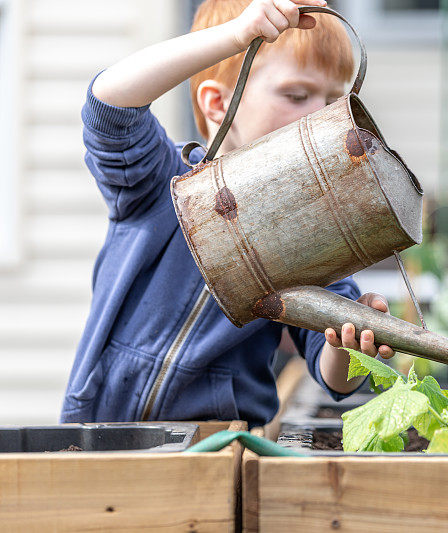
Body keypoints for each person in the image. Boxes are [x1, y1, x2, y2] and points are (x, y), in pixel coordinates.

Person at [60, 0, 394, 427]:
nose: (322, 115)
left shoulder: (310, 231)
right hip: (100, 434)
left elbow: (332, 376)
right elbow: (108, 105)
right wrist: (236, 36)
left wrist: (349, 343)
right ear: (218, 104)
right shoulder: (161, 182)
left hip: (219, 448)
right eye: (297, 95)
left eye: (333, 101)